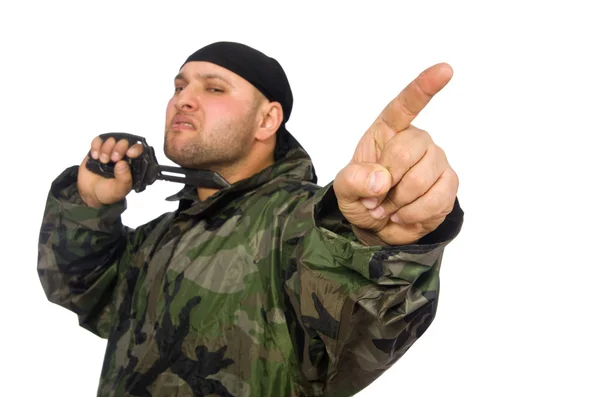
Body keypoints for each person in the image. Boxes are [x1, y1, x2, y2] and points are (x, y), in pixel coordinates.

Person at [37, 41, 464, 397]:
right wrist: (88, 205)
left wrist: (375, 242)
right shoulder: (159, 239)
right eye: (179, 85)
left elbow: (362, 319)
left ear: (267, 119)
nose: (183, 98)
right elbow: (85, 291)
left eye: (215, 89)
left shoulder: (297, 222)